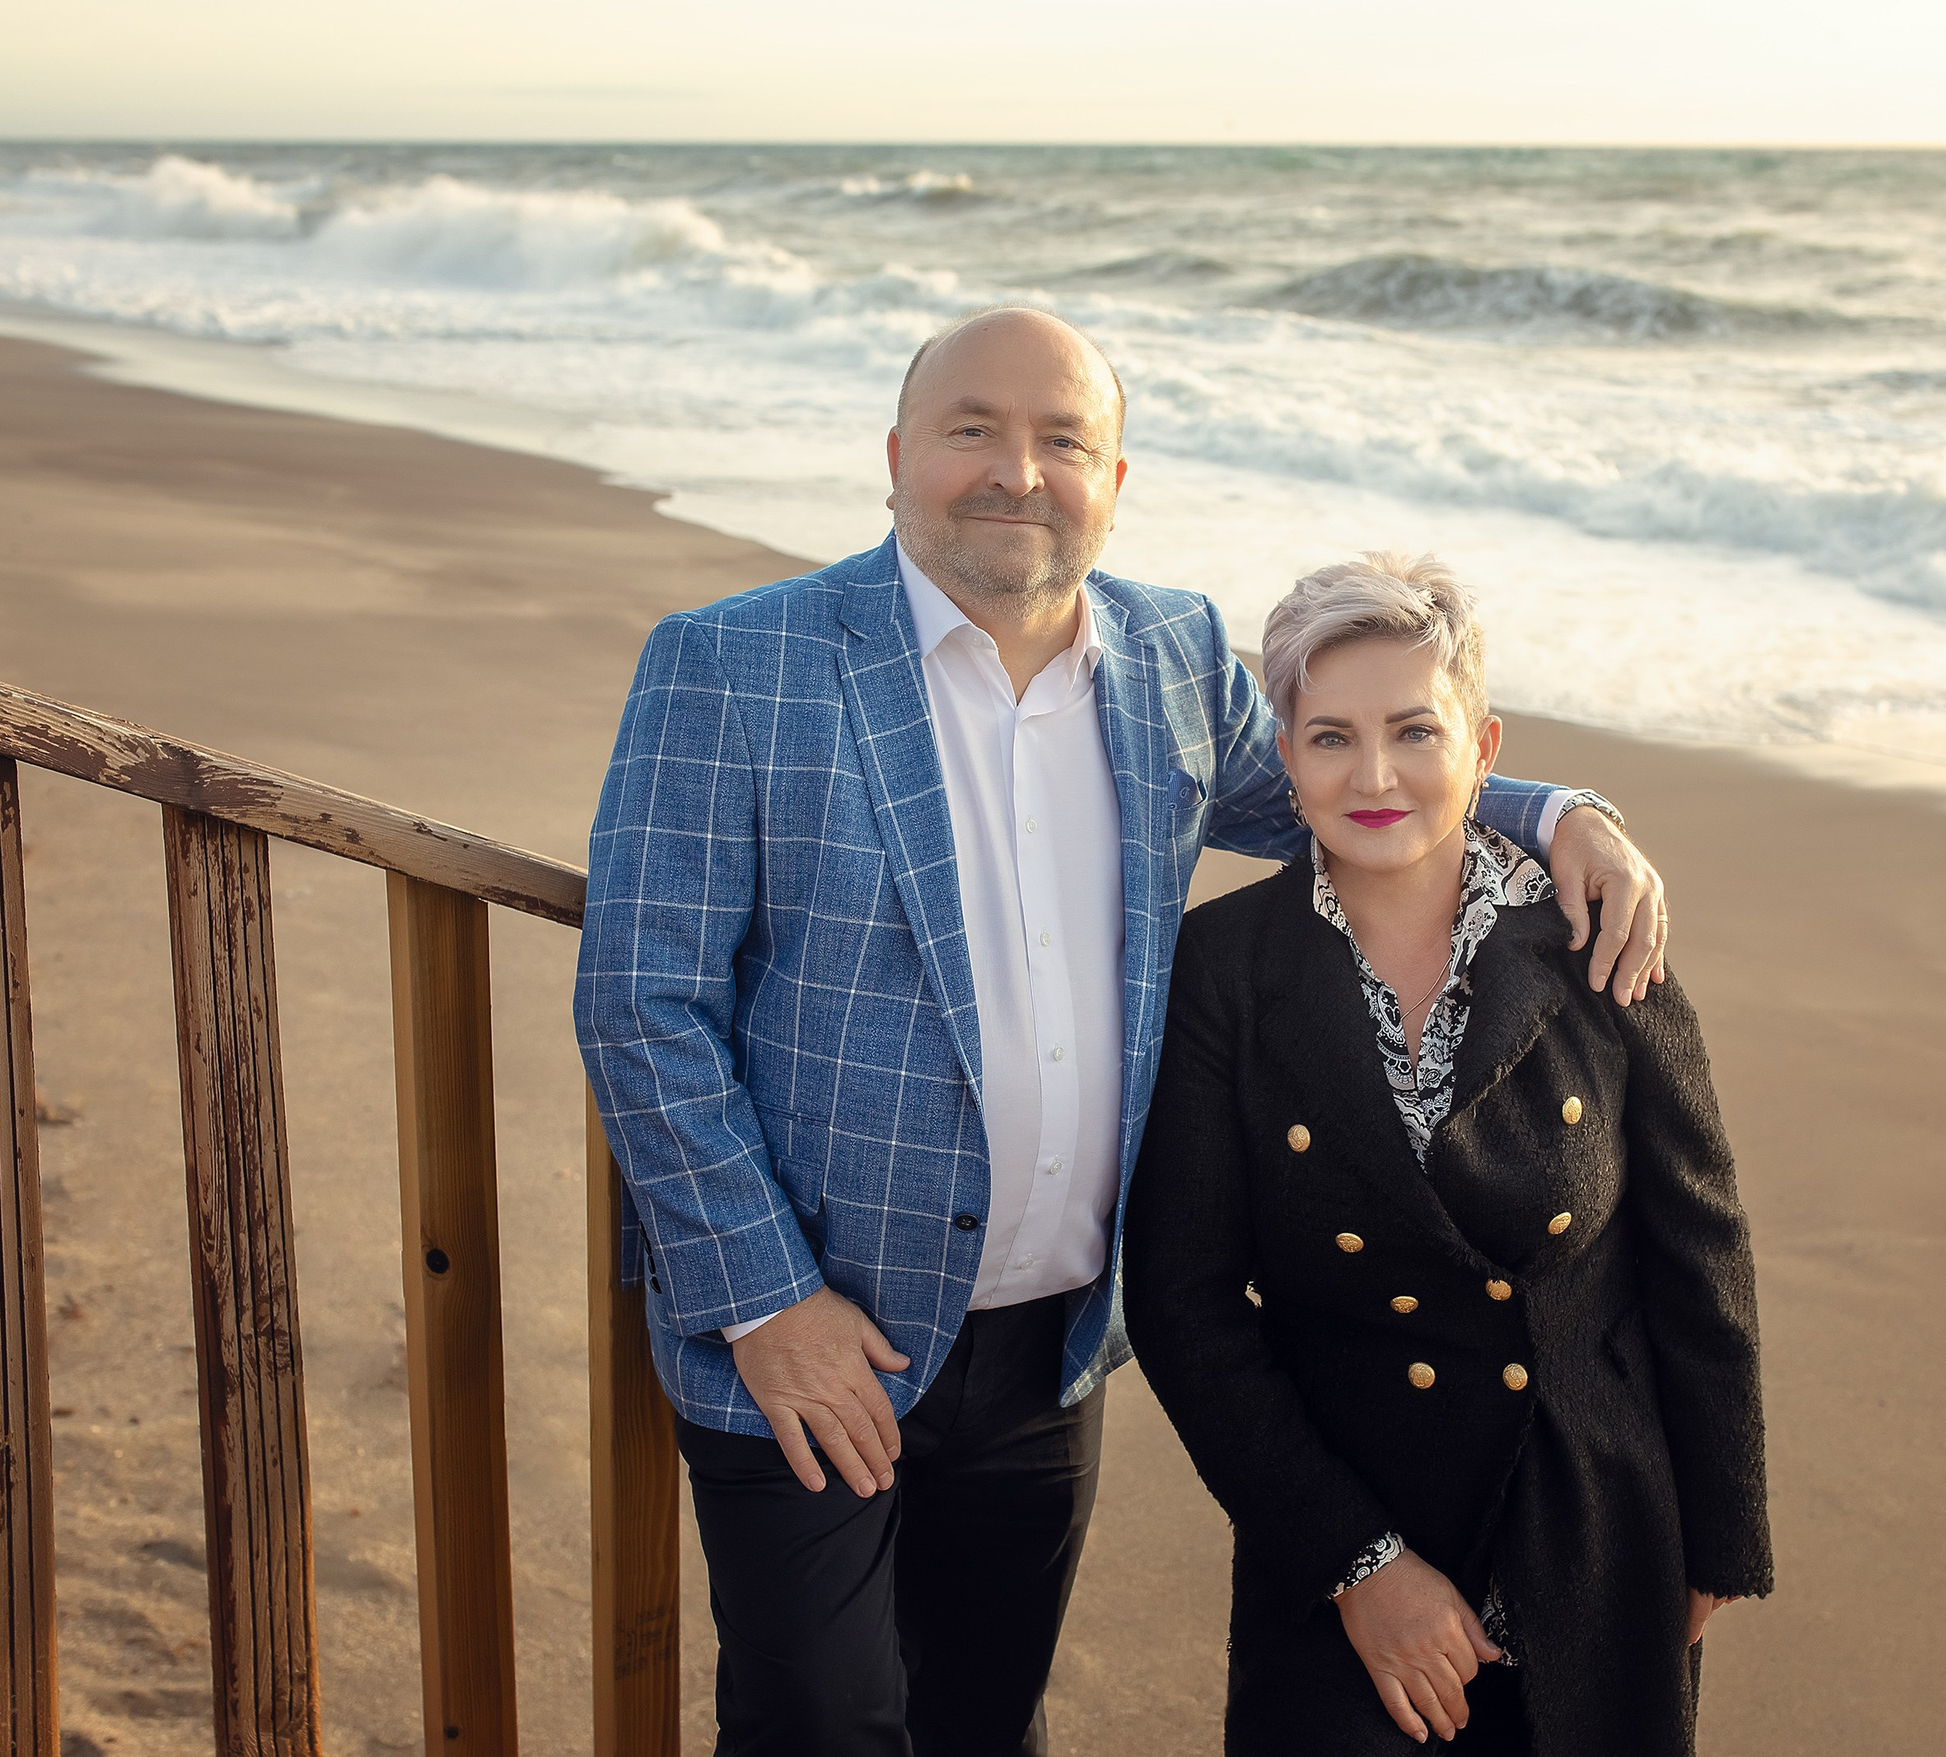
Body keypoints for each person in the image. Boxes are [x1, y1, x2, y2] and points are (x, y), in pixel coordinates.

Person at [572, 307, 1673, 1756]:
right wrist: (763, 1302)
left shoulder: (1172, 651)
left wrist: (1557, 811)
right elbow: (642, 1000)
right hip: (821, 1336)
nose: (1016, 473)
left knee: (987, 1718)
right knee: (820, 1722)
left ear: (1116, 477)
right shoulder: (736, 665)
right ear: (899, 456)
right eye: (973, 430)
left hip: (1052, 1348)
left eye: (1063, 442)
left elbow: (1345, 790)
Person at [1123, 554, 1772, 1756]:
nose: (1373, 775)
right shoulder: (1223, 970)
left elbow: (1700, 1242)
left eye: (1413, 729)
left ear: (1483, 745)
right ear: (1285, 754)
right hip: (1341, 1530)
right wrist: (1356, 1560)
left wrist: (1720, 1530)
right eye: (1330, 737)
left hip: (1593, 1527)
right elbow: (1185, 1301)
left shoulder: (1594, 933)